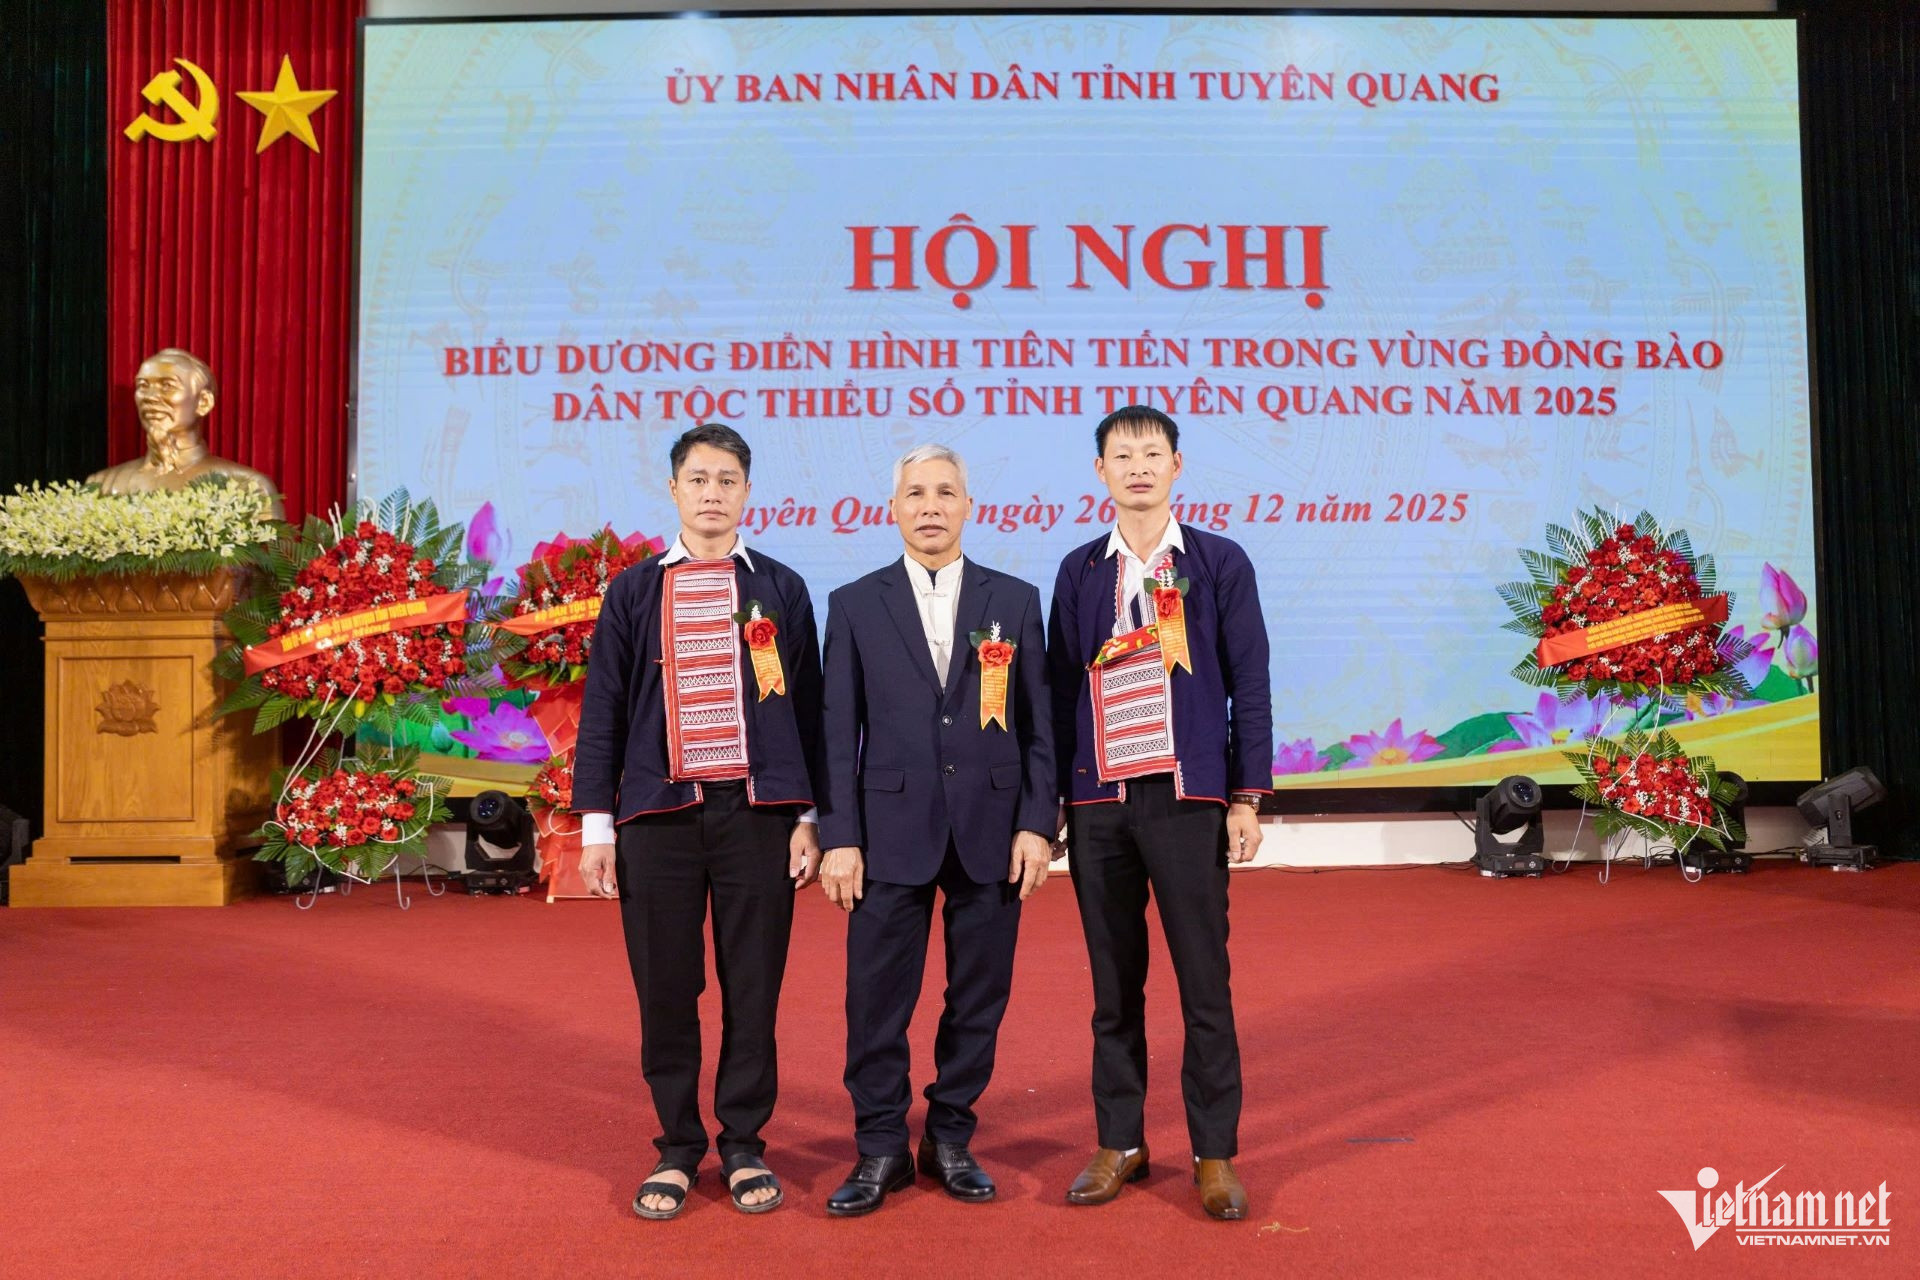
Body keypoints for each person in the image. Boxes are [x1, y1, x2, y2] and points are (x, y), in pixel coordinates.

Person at [573, 423, 824, 1220]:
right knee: (666, 988)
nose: (712, 493)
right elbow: (603, 712)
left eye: (727, 480)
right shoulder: (632, 592)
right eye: (698, 479)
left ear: (747, 492)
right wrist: (598, 829)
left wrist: (808, 815)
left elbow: (809, 711)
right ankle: (678, 1146)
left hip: (758, 817)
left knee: (754, 986)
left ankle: (744, 1143)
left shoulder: (780, 587)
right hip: (658, 819)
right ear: (674, 489)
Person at [816, 443, 1056, 1217]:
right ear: (893, 508)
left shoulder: (1014, 599)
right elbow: (835, 730)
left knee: (978, 997)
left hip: (993, 828)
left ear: (968, 506)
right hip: (886, 831)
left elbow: (1040, 727)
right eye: (915, 493)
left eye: (945, 492)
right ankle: (881, 1145)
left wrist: (1037, 825)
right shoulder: (854, 603)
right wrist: (839, 835)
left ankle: (950, 1136)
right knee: (875, 1000)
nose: (930, 507)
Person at [1046, 407, 1273, 1221]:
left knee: (1204, 983)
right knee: (1114, 986)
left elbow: (1251, 681)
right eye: (1122, 455)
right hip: (1099, 802)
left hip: (1187, 800)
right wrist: (1055, 803)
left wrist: (1246, 796)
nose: (1137, 467)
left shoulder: (1217, 562)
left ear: (1177, 466)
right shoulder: (1079, 571)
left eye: (1152, 453)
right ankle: (1121, 1142)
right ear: (1100, 472)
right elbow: (1057, 693)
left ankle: (1214, 1154)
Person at [90, 347, 284, 518]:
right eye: (143, 386)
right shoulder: (102, 484)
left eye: (167, 386)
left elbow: (274, 549)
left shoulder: (246, 486)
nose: (150, 397)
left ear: (203, 402)